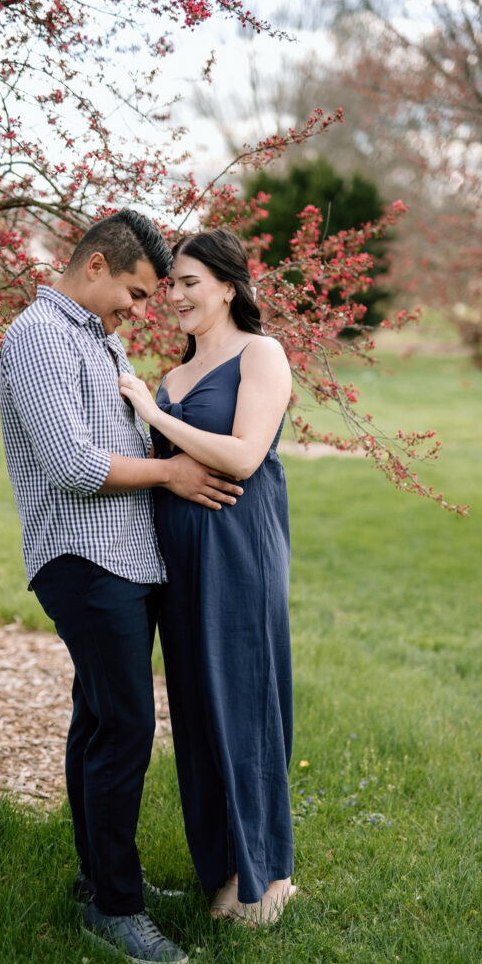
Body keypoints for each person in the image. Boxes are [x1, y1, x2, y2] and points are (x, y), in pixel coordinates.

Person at [0, 209, 243, 964]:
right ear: (96, 266)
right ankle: (116, 908)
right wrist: (173, 471)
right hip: (82, 560)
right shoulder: (39, 336)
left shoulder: (98, 339)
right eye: (134, 292)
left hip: (125, 561)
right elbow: (73, 465)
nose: (140, 311)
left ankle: (102, 876)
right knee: (127, 728)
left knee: (99, 721)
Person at [118, 227, 296, 926]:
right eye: (173, 286)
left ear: (228, 285)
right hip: (178, 561)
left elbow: (245, 457)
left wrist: (155, 415)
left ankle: (267, 876)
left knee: (244, 704)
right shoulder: (173, 374)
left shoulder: (263, 354)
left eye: (191, 281)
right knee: (196, 711)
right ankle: (221, 864)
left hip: (240, 553)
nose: (178, 296)